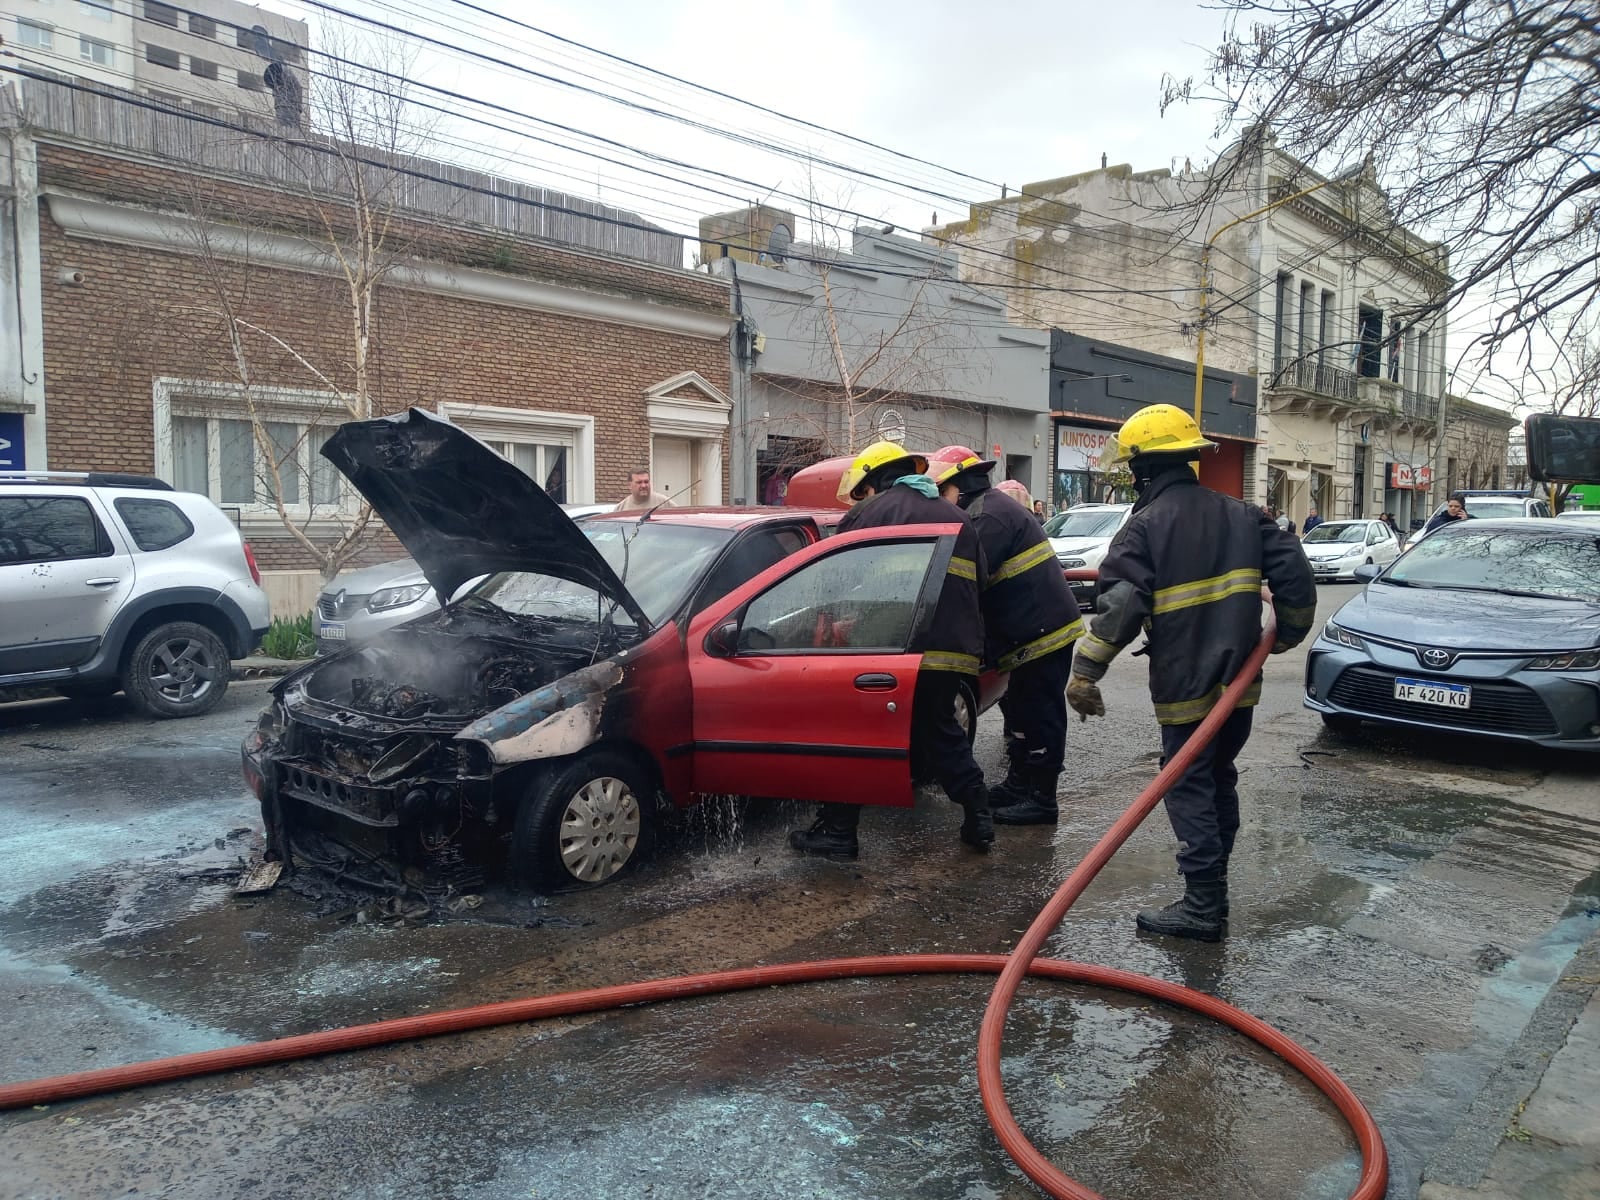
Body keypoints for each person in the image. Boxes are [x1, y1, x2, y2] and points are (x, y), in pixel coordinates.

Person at [1066, 404, 1317, 942]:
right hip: (1239, 687)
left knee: (1189, 787)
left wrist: (1085, 671)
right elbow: (1296, 575)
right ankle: (1210, 893)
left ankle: (1204, 908)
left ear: (1142, 469)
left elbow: (1119, 610)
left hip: (1185, 685)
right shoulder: (1245, 514)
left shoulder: (1144, 528)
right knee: (1217, 777)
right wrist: (1289, 633)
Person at [788, 441, 995, 859]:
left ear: (871, 484)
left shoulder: (869, 514)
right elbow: (982, 583)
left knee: (853, 738)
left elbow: (832, 583)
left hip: (891, 650)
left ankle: (837, 831)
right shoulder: (958, 517)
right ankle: (979, 816)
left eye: (859, 491)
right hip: (950, 652)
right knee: (940, 731)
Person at [928, 446, 1084, 825]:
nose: (938, 499)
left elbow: (965, 581)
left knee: (1040, 714)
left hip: (1041, 632)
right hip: (1028, 631)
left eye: (941, 489)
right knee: (1021, 712)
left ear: (958, 487)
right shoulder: (987, 510)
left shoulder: (987, 519)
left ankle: (1042, 799)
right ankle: (1020, 785)